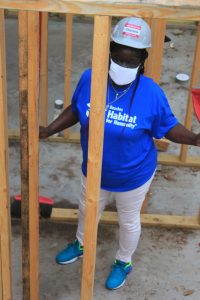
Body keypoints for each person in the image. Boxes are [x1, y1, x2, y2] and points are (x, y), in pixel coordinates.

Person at [39, 17, 200, 290]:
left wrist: (195, 139)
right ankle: (81, 243)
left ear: (142, 59)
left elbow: (168, 127)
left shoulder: (151, 94)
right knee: (86, 210)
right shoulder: (91, 78)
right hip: (93, 169)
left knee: (128, 220)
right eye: (119, 59)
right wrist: (49, 130)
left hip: (133, 176)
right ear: (110, 51)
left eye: (131, 62)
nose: (123, 66)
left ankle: (124, 261)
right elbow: (77, 109)